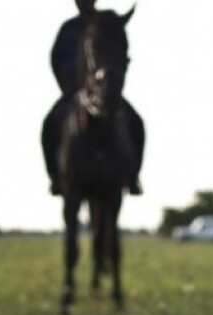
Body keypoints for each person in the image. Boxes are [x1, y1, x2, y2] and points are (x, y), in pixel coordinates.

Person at [41, 0, 145, 196]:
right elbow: (55, 58)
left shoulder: (107, 22)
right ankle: (55, 177)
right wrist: (66, 85)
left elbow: (119, 54)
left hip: (105, 93)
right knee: (49, 123)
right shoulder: (69, 28)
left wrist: (111, 83)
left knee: (136, 122)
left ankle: (133, 177)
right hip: (71, 91)